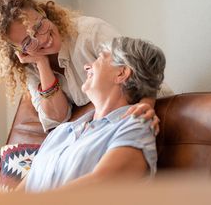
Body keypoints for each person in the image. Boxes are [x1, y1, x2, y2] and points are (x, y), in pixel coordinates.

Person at [0, 0, 172, 133]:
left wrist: (147, 105)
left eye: (39, 25)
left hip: (149, 107)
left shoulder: (89, 33)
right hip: (101, 127)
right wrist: (42, 64)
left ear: (42, 11)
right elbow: (56, 120)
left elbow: (140, 68)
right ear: (16, 50)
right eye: (27, 41)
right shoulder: (30, 64)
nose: (41, 39)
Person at [20, 36, 165, 192]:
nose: (86, 66)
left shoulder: (135, 126)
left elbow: (99, 185)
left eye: (99, 58)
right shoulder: (61, 132)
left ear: (121, 73)